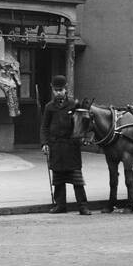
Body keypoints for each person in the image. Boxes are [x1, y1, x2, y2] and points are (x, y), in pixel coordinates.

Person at [40, 74, 91, 215]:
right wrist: (45, 143)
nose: (58, 92)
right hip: (56, 146)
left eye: (60, 89)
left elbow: (82, 122)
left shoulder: (73, 105)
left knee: (77, 179)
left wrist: (82, 136)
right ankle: (60, 205)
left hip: (71, 146)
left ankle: (83, 206)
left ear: (65, 89)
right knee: (58, 179)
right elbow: (44, 127)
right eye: (56, 90)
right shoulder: (49, 107)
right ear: (52, 89)